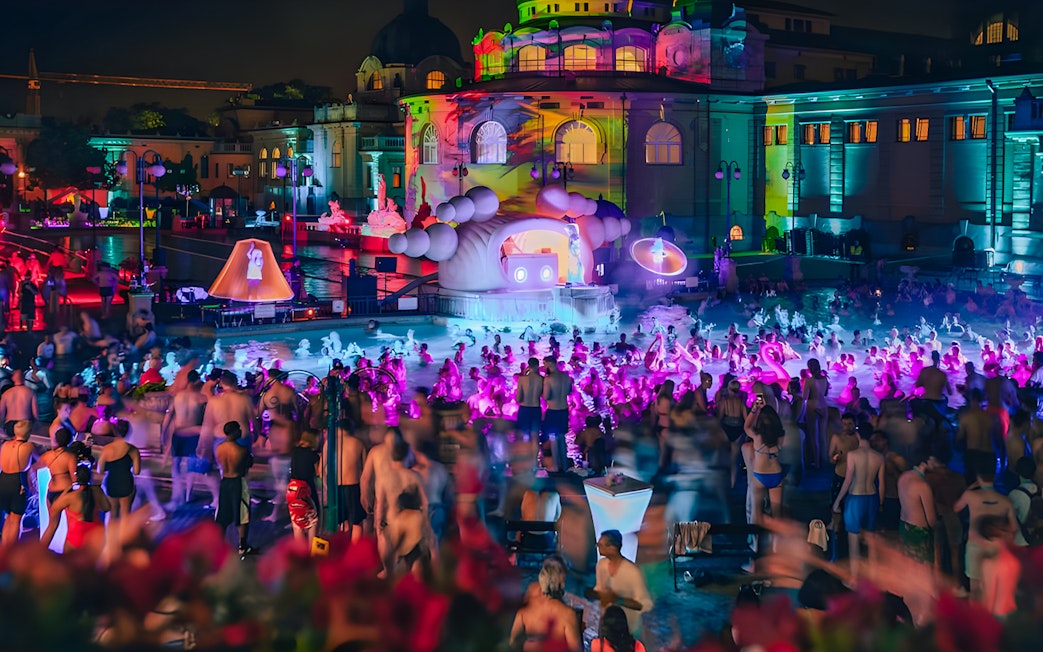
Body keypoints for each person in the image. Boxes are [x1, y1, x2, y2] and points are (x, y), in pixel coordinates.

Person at [953, 468, 1018, 601]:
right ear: (994, 478)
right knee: (995, 586)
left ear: (979, 478)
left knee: (975, 587)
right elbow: (1014, 528)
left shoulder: (970, 495)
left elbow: (956, 508)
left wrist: (970, 488)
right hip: (996, 546)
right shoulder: (1005, 500)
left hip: (975, 545)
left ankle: (977, 613)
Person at [832, 423, 884, 581]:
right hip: (872, 498)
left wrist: (837, 501)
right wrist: (880, 504)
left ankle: (854, 579)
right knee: (871, 541)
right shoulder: (879, 457)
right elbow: (881, 484)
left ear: (858, 435)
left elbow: (848, 481)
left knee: (853, 540)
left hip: (855, 497)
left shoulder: (853, 455)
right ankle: (873, 579)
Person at [510, 556, 582, 652]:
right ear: (561, 582)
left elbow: (513, 642)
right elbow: (576, 649)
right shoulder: (567, 614)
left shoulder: (526, 608)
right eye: (564, 580)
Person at [588, 529, 653, 636]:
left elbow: (644, 604)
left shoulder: (632, 571)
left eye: (601, 545)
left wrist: (616, 599)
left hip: (629, 628)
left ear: (612, 548)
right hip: (607, 625)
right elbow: (600, 589)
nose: (598, 547)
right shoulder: (601, 565)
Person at [162, 370, 210, 508]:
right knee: (190, 466)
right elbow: (207, 418)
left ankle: (177, 495)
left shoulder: (178, 396)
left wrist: (163, 434)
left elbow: (168, 416)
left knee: (176, 465)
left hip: (178, 432)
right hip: (193, 432)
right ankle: (188, 494)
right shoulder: (201, 398)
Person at [41, 466, 110, 555]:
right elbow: (107, 507)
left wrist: (64, 493)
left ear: (75, 478)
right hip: (96, 535)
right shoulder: (97, 490)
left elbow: (53, 510)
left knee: (69, 562)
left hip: (77, 536)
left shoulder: (69, 497)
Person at [741, 401, 785, 525]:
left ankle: (754, 538)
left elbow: (746, 426)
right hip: (776, 475)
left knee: (756, 513)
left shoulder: (757, 437)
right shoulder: (781, 437)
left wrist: (754, 410)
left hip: (760, 475)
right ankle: (776, 537)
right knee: (777, 516)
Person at [215, 421, 254, 555]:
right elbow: (248, 464)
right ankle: (242, 546)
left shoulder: (219, 448)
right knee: (242, 514)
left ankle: (218, 544)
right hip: (238, 482)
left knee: (223, 514)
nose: (241, 431)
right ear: (234, 432)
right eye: (238, 429)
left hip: (225, 482)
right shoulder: (241, 450)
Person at [977, 514, 1021, 619]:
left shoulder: (993, 561)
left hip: (1003, 614)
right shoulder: (1009, 558)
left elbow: (989, 596)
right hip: (1008, 614)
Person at [387, 485, 436, 577]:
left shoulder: (397, 519)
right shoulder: (419, 515)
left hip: (402, 552)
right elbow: (428, 536)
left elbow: (393, 540)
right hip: (418, 550)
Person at [98, 419, 140, 523]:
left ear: (115, 431)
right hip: (126, 482)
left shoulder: (107, 449)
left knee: (112, 513)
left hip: (111, 482)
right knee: (125, 514)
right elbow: (136, 471)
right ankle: (124, 533)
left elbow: (100, 470)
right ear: (129, 431)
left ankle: (110, 533)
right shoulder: (133, 449)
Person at [0, 421, 33, 546]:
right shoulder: (28, 446)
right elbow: (41, 460)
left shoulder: (5, 444)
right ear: (28, 433)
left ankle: (3, 550)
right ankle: (11, 552)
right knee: (16, 520)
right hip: (17, 482)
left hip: (3, 480)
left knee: (8, 517)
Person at [897, 457, 936, 564]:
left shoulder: (903, 477)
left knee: (907, 565)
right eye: (934, 461)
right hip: (919, 532)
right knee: (921, 569)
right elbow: (931, 519)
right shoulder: (922, 485)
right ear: (924, 462)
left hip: (904, 527)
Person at [956, 389, 999, 485]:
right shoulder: (992, 417)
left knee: (972, 485)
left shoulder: (966, 417)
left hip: (973, 454)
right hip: (990, 454)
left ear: (971, 399)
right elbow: (998, 439)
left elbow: (959, 438)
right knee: (989, 485)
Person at [335, 420, 368, 540]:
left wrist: (327, 486)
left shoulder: (331, 443)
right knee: (356, 521)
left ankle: (343, 544)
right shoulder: (358, 443)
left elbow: (322, 468)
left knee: (341, 521)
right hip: (354, 485)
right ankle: (355, 547)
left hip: (337, 485)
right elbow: (365, 469)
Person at [286, 429, 320, 545]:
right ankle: (311, 552)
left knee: (297, 522)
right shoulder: (313, 455)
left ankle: (300, 551)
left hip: (292, 489)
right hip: (306, 490)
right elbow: (318, 473)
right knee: (313, 521)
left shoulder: (294, 452)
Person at [541, 356, 574, 473]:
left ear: (550, 364)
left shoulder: (548, 379)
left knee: (553, 438)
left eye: (544, 363)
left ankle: (555, 466)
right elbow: (569, 391)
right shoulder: (566, 377)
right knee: (562, 438)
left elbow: (546, 396)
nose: (544, 366)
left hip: (553, 410)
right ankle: (564, 466)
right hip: (564, 410)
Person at [801, 358, 830, 470]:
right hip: (824, 407)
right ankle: (825, 461)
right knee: (822, 436)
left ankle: (817, 463)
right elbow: (825, 394)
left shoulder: (809, 381)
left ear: (809, 368)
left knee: (814, 437)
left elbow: (804, 397)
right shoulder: (825, 379)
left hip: (813, 407)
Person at [36, 427, 77, 506]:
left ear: (56, 440)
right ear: (70, 440)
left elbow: (33, 468)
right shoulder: (70, 457)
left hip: (51, 491)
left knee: (51, 514)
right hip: (65, 491)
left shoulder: (47, 455)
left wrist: (33, 486)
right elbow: (74, 478)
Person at [1010, 457, 1042, 546]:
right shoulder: (1041, 491)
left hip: (1021, 540)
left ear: (1017, 471)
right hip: (1040, 539)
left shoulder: (1015, 494)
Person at [515, 357, 544, 442]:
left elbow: (518, 398)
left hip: (524, 408)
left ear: (529, 366)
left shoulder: (522, 379)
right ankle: (535, 450)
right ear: (538, 366)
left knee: (523, 434)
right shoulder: (541, 379)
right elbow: (544, 396)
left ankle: (525, 449)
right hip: (536, 409)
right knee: (535, 434)